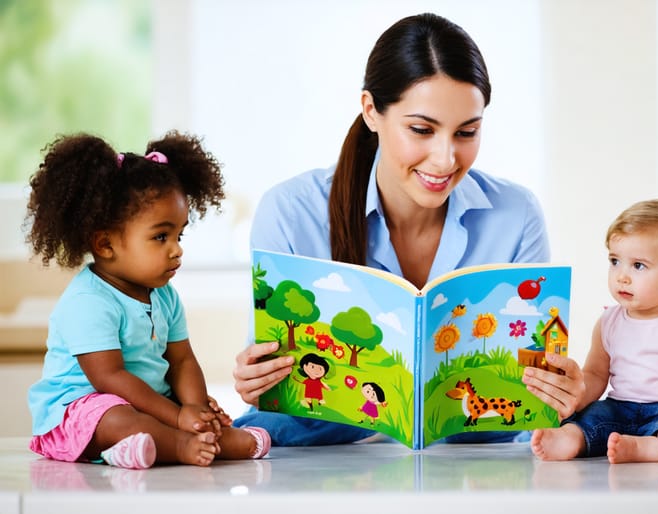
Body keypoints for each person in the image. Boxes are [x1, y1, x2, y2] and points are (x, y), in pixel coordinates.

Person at [231, 12, 584, 446]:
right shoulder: (290, 211)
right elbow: (272, 379)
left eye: (466, 132)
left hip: (472, 459)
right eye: (421, 129)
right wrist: (256, 377)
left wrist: (557, 392)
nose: (445, 159)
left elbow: (526, 401)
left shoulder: (517, 214)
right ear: (371, 112)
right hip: (328, 456)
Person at [25, 131, 271, 469]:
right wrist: (177, 416)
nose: (177, 248)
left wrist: (196, 410)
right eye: (160, 236)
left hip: (149, 402)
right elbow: (110, 378)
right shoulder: (88, 301)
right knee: (117, 420)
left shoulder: (165, 296)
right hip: (83, 409)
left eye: (179, 234)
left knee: (185, 412)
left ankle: (186, 439)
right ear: (105, 245)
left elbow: (182, 360)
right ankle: (179, 445)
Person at [530, 199, 658, 461]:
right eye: (615, 261)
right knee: (592, 417)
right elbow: (595, 374)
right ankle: (571, 438)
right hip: (618, 407)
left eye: (638, 265)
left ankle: (645, 448)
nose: (622, 276)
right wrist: (576, 403)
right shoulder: (609, 321)